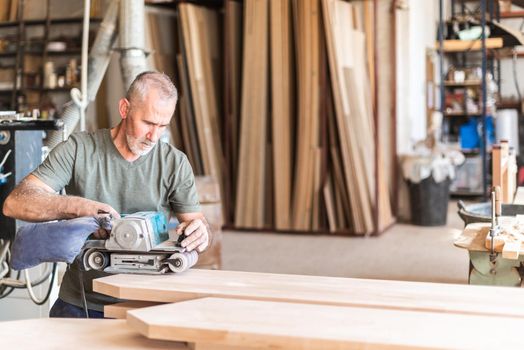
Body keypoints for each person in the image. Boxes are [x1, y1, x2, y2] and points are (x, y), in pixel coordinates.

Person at [3, 71, 211, 318]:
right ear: (124, 108)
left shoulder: (174, 163)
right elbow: (15, 203)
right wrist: (78, 207)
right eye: (148, 123)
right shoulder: (78, 149)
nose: (154, 137)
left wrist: (201, 233)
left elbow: (195, 224)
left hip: (149, 305)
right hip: (81, 303)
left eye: (163, 125)